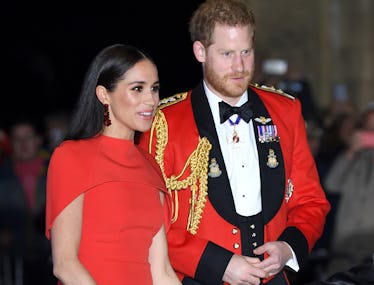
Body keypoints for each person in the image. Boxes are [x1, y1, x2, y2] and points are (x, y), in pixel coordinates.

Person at [138, 0, 331, 284]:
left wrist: (287, 248)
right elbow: (150, 222)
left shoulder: (286, 111)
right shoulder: (162, 123)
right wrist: (218, 264)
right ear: (200, 51)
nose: (239, 66)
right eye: (227, 53)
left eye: (246, 52)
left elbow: (311, 202)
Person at [45, 44, 181, 285]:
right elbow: (65, 265)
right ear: (104, 94)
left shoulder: (150, 165)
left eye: (154, 88)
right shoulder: (71, 157)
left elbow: (162, 271)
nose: (150, 100)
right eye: (137, 89)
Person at [0, 117, 53, 285]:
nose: (23, 143)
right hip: (13, 256)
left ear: (38, 139)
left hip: (51, 255)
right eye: (17, 139)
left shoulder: (56, 168)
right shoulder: (3, 174)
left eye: (28, 137)